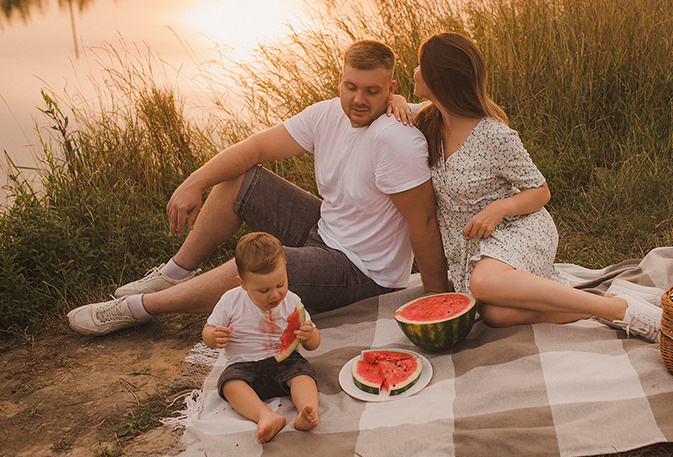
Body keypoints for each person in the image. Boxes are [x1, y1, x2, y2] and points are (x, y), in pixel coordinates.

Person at [68, 40, 449, 336]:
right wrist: (195, 181)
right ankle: (173, 272)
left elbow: (424, 222)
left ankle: (140, 309)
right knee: (239, 177)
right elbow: (256, 148)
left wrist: (437, 298)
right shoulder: (327, 114)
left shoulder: (397, 137)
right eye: (351, 87)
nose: (358, 100)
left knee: (258, 261)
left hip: (362, 273)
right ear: (339, 80)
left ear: (391, 88)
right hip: (325, 231)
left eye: (373, 91)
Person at [390, 32, 662, 340]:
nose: (413, 71)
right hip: (476, 250)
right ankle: (602, 305)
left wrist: (498, 208)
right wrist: (396, 99)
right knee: (498, 315)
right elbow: (384, 101)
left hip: (519, 228)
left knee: (484, 285)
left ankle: (620, 311)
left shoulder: (494, 135)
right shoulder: (426, 120)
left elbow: (540, 191)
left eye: (418, 65)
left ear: (439, 79)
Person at [203, 232, 320, 443]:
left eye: (280, 285)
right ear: (243, 283)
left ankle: (306, 411)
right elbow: (208, 331)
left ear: (285, 267)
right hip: (243, 365)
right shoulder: (230, 301)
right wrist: (214, 336)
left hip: (285, 362)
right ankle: (265, 415)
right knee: (229, 383)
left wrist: (309, 335)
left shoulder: (292, 301)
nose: (275, 295)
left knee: (304, 374)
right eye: (264, 290)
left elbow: (314, 344)